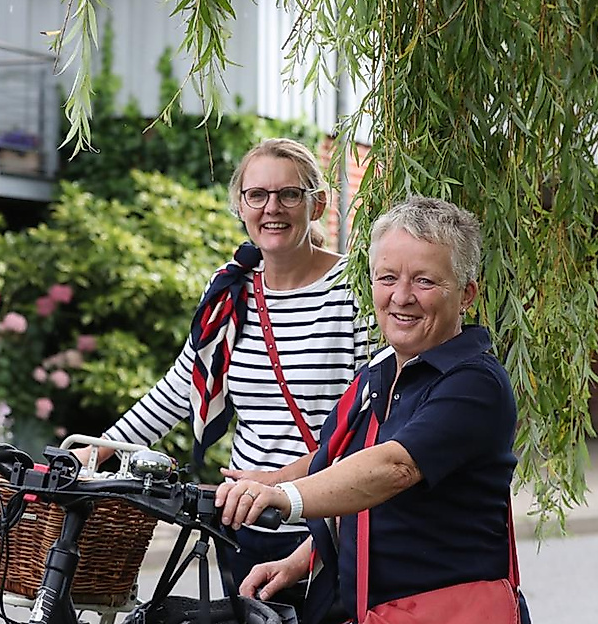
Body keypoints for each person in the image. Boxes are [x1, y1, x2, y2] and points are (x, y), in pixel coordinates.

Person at [72, 138, 374, 607]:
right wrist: (93, 452)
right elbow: (181, 388)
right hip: (242, 522)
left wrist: (281, 485)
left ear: (317, 205)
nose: (272, 208)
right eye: (257, 195)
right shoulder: (231, 290)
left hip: (329, 521)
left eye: (289, 194)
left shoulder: (355, 291)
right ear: (240, 205)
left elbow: (371, 425)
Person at [215, 196, 529, 624]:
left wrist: (284, 498)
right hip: (375, 610)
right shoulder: (381, 371)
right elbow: (353, 471)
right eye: (387, 277)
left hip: (444, 611)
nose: (402, 297)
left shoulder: (474, 382)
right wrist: (302, 558)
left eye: (424, 281)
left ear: (467, 293)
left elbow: (392, 467)